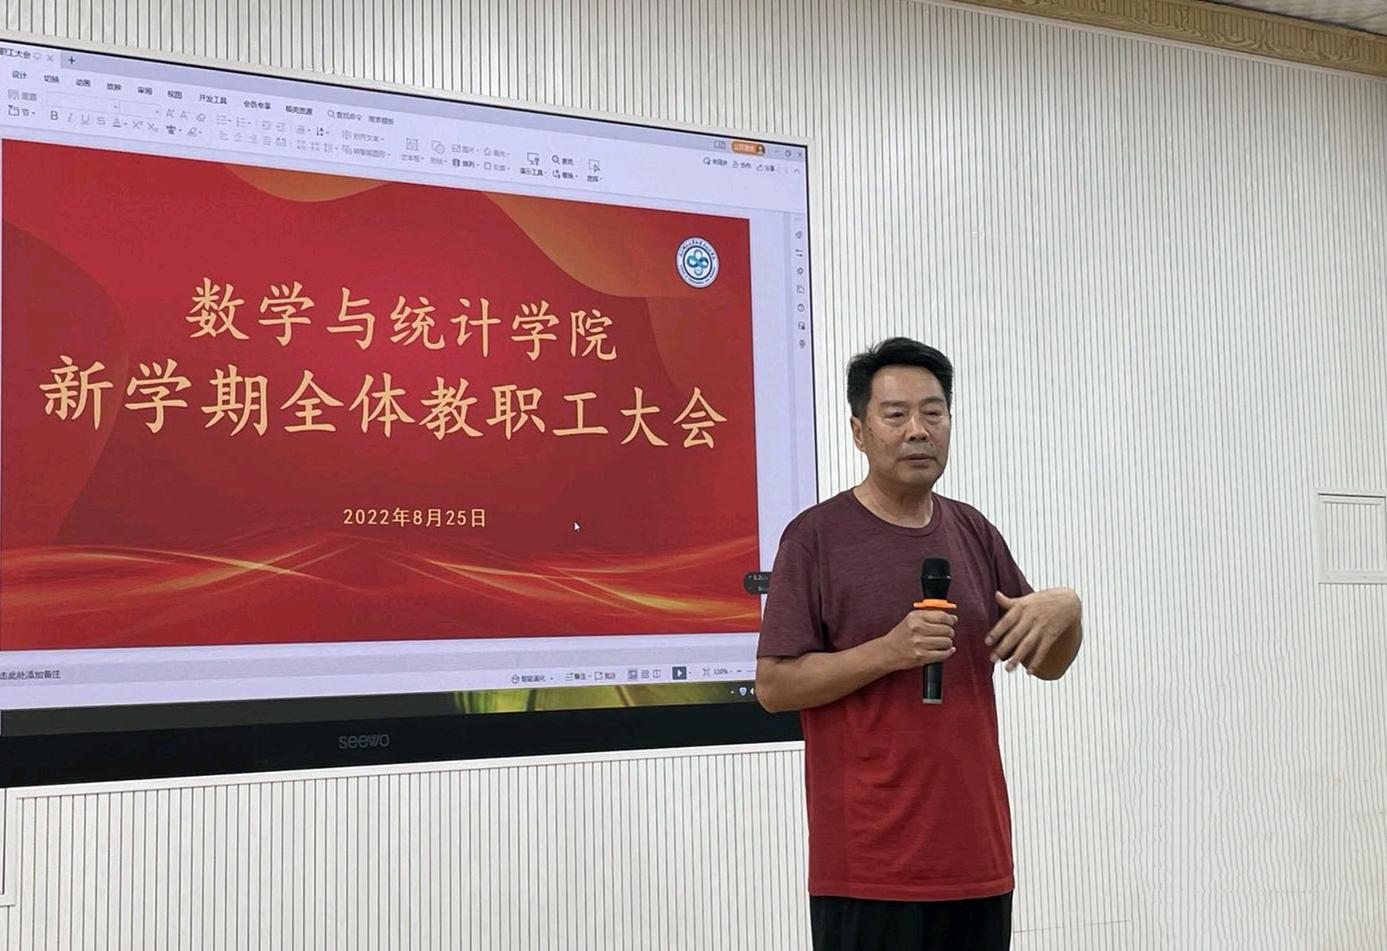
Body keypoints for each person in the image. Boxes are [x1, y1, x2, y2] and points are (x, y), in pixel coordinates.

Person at [755, 337, 1083, 951]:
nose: (918, 431)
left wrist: (1068, 612)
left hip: (976, 856)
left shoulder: (973, 531)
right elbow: (774, 686)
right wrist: (890, 651)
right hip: (869, 865)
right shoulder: (815, 538)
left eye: (934, 413)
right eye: (896, 414)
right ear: (859, 431)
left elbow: (1046, 663)